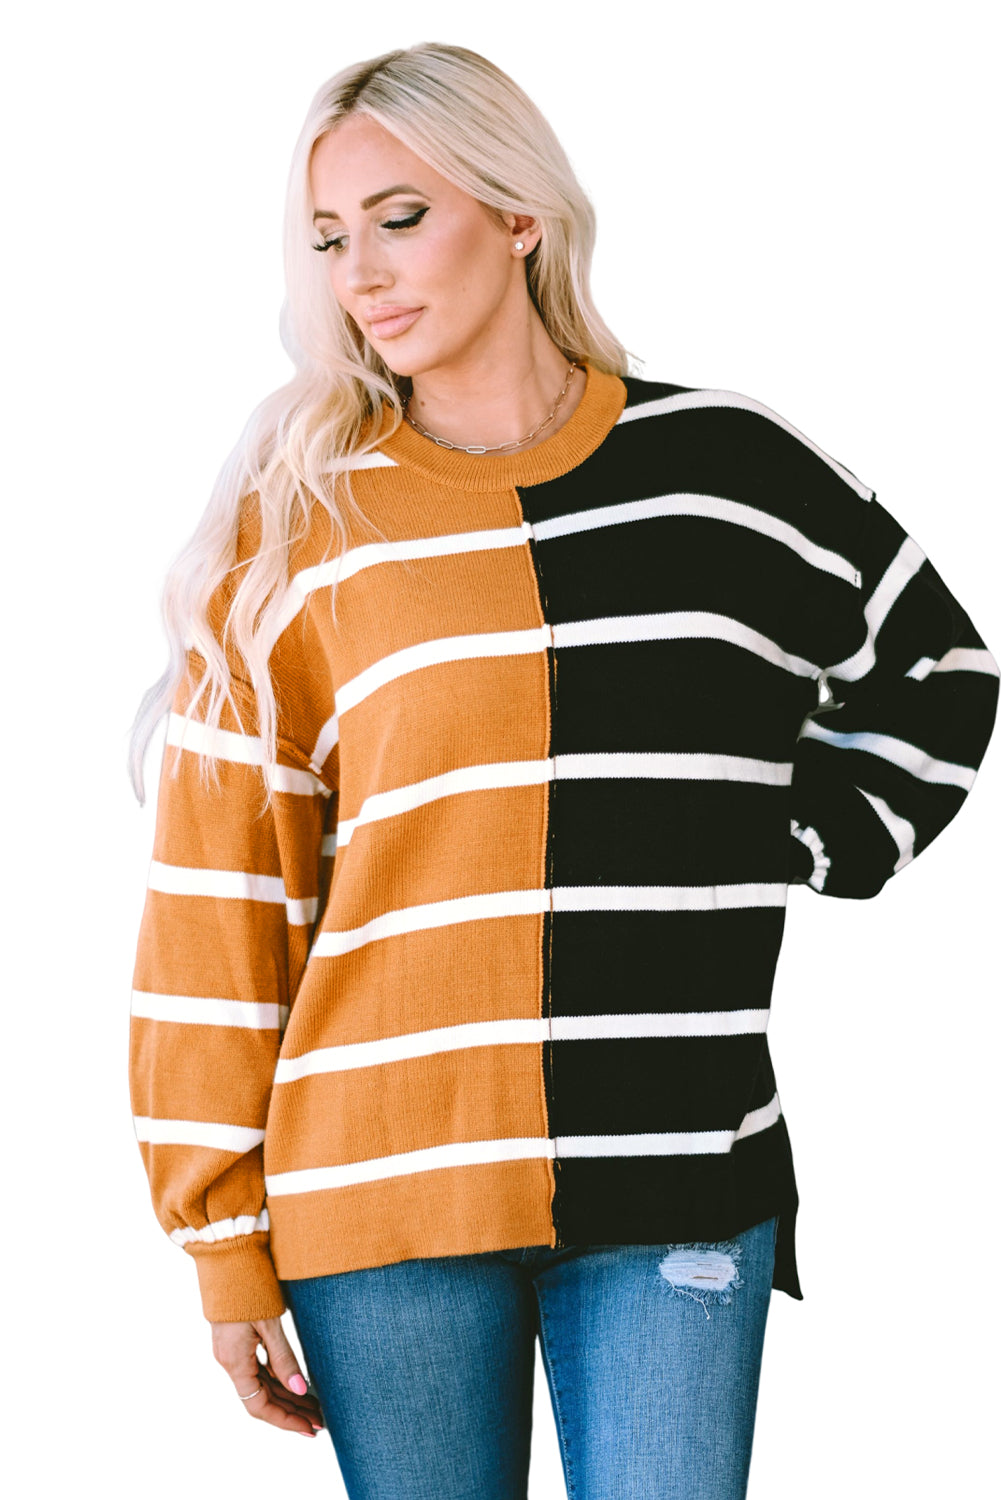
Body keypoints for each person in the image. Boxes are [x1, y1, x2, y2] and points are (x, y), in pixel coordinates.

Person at [126, 41, 1000, 1500]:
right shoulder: (301, 530)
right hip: (382, 1185)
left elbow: (938, 673)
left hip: (679, 1154)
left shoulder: (731, 472)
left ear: (520, 214)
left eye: (402, 218)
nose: (360, 273)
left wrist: (787, 837)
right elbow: (218, 905)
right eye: (330, 238)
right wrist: (221, 1240)